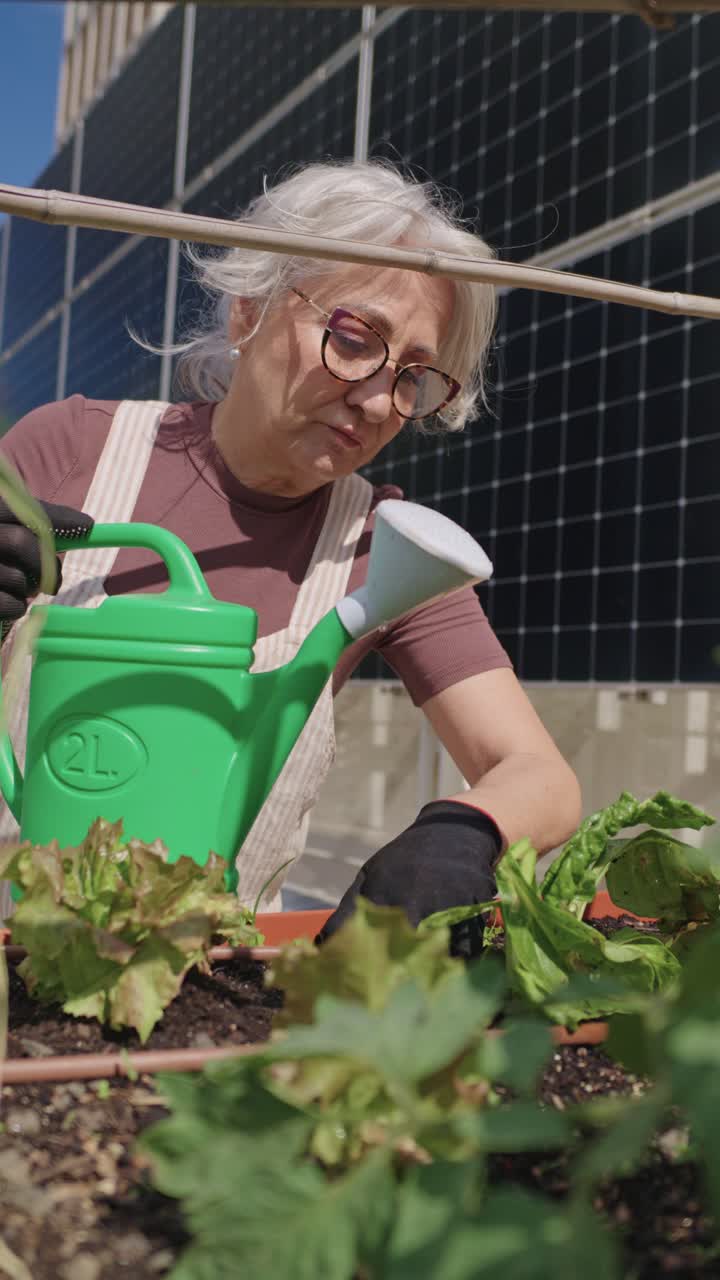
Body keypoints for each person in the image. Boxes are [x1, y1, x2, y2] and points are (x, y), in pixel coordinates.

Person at [0, 161, 581, 942]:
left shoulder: (386, 549)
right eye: (353, 339)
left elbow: (540, 776)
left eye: (414, 376)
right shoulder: (70, 448)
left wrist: (464, 833)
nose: (378, 400)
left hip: (213, 987)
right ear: (249, 314)